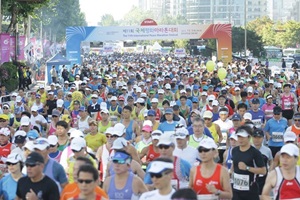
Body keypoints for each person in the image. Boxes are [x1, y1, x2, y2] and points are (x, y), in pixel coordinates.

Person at [231, 125, 266, 200]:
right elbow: (234, 164)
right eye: (239, 137)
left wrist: (247, 168)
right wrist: (230, 172)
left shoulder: (255, 153)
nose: (240, 139)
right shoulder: (234, 150)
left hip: (250, 190)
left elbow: (263, 171)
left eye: (243, 137)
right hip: (236, 189)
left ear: (249, 137)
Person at [251, 128, 273, 195]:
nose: (256, 139)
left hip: (263, 177)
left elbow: (271, 161)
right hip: (251, 177)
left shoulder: (267, 150)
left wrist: (270, 171)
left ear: (263, 138)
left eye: (259, 137)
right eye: (255, 137)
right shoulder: (248, 148)